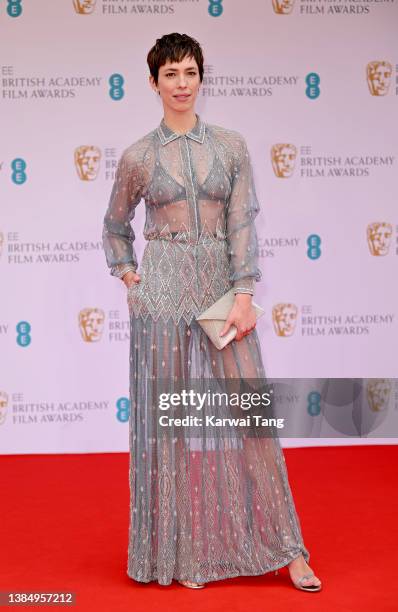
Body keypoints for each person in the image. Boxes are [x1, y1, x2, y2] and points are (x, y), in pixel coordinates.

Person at [102, 32, 322, 592]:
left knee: (253, 422)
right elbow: (114, 228)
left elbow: (243, 221)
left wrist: (245, 294)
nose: (181, 84)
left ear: (202, 78)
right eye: (170, 74)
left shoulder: (230, 145)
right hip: (162, 295)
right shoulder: (137, 157)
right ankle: (174, 557)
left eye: (190, 72)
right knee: (166, 429)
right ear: (153, 83)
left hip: (222, 294)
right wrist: (132, 280)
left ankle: (290, 549)